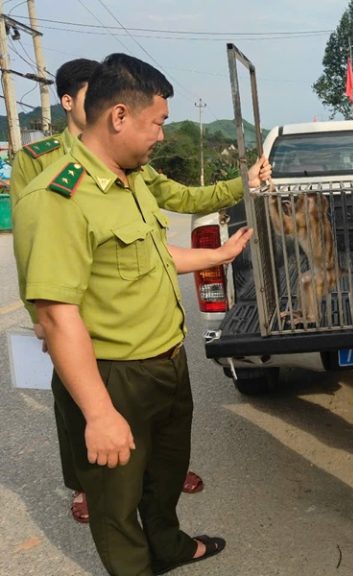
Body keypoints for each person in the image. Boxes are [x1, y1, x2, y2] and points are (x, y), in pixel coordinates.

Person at [12, 53, 270, 576]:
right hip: (114, 374)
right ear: (120, 117)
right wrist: (100, 413)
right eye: (157, 123)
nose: (160, 135)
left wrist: (217, 256)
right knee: (115, 501)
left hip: (166, 363)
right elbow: (58, 314)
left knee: (165, 474)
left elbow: (153, 253)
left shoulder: (131, 179)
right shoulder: (58, 196)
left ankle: (169, 545)